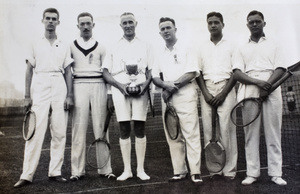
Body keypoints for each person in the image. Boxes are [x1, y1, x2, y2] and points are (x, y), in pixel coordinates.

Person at [14, 8, 74, 188]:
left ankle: (55, 172)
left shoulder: (64, 44)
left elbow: (68, 71)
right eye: (47, 18)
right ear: (42, 21)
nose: (50, 21)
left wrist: (70, 95)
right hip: (39, 83)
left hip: (58, 83)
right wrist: (26, 96)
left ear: (58, 22)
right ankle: (27, 174)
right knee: (35, 130)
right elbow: (29, 70)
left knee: (59, 131)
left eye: (54, 19)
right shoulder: (34, 42)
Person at [233, 10, 287, 186]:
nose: (254, 24)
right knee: (250, 134)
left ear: (264, 23)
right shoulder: (241, 47)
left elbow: (280, 69)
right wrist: (258, 84)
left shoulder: (275, 44)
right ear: (247, 25)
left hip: (272, 88)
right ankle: (252, 173)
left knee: (273, 132)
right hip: (249, 89)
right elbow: (237, 74)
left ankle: (276, 173)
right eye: (251, 22)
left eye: (257, 21)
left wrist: (267, 86)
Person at [102, 12, 153, 181]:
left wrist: (144, 86)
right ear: (121, 26)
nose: (128, 25)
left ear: (136, 23)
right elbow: (106, 73)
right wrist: (118, 87)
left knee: (139, 127)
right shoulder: (112, 45)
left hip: (140, 89)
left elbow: (151, 71)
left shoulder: (146, 44)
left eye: (131, 22)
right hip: (119, 89)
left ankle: (140, 169)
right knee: (124, 128)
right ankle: (127, 170)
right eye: (125, 23)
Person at [152, 17, 202, 183]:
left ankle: (195, 171)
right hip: (167, 97)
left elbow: (191, 73)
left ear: (175, 29)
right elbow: (154, 77)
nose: (166, 31)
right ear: (160, 33)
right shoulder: (158, 53)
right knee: (173, 136)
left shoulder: (187, 48)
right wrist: (165, 86)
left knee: (191, 133)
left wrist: (172, 87)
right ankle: (179, 171)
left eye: (168, 28)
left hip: (186, 95)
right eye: (163, 29)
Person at [69, 12, 115, 181]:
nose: (86, 26)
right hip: (78, 85)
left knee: (101, 128)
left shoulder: (101, 46)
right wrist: (69, 94)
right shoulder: (71, 46)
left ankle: (105, 169)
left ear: (93, 25)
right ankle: (77, 171)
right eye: (82, 24)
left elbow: (106, 72)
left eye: (88, 23)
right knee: (78, 129)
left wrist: (109, 94)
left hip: (99, 85)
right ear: (78, 26)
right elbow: (67, 71)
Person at [196, 12, 237, 182]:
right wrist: (205, 93)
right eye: (210, 23)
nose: (213, 25)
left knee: (228, 129)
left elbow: (236, 72)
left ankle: (229, 170)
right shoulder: (201, 46)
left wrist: (223, 93)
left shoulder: (232, 45)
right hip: (207, 89)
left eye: (216, 22)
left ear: (222, 24)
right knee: (209, 130)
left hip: (226, 87)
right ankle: (214, 169)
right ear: (207, 25)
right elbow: (197, 72)